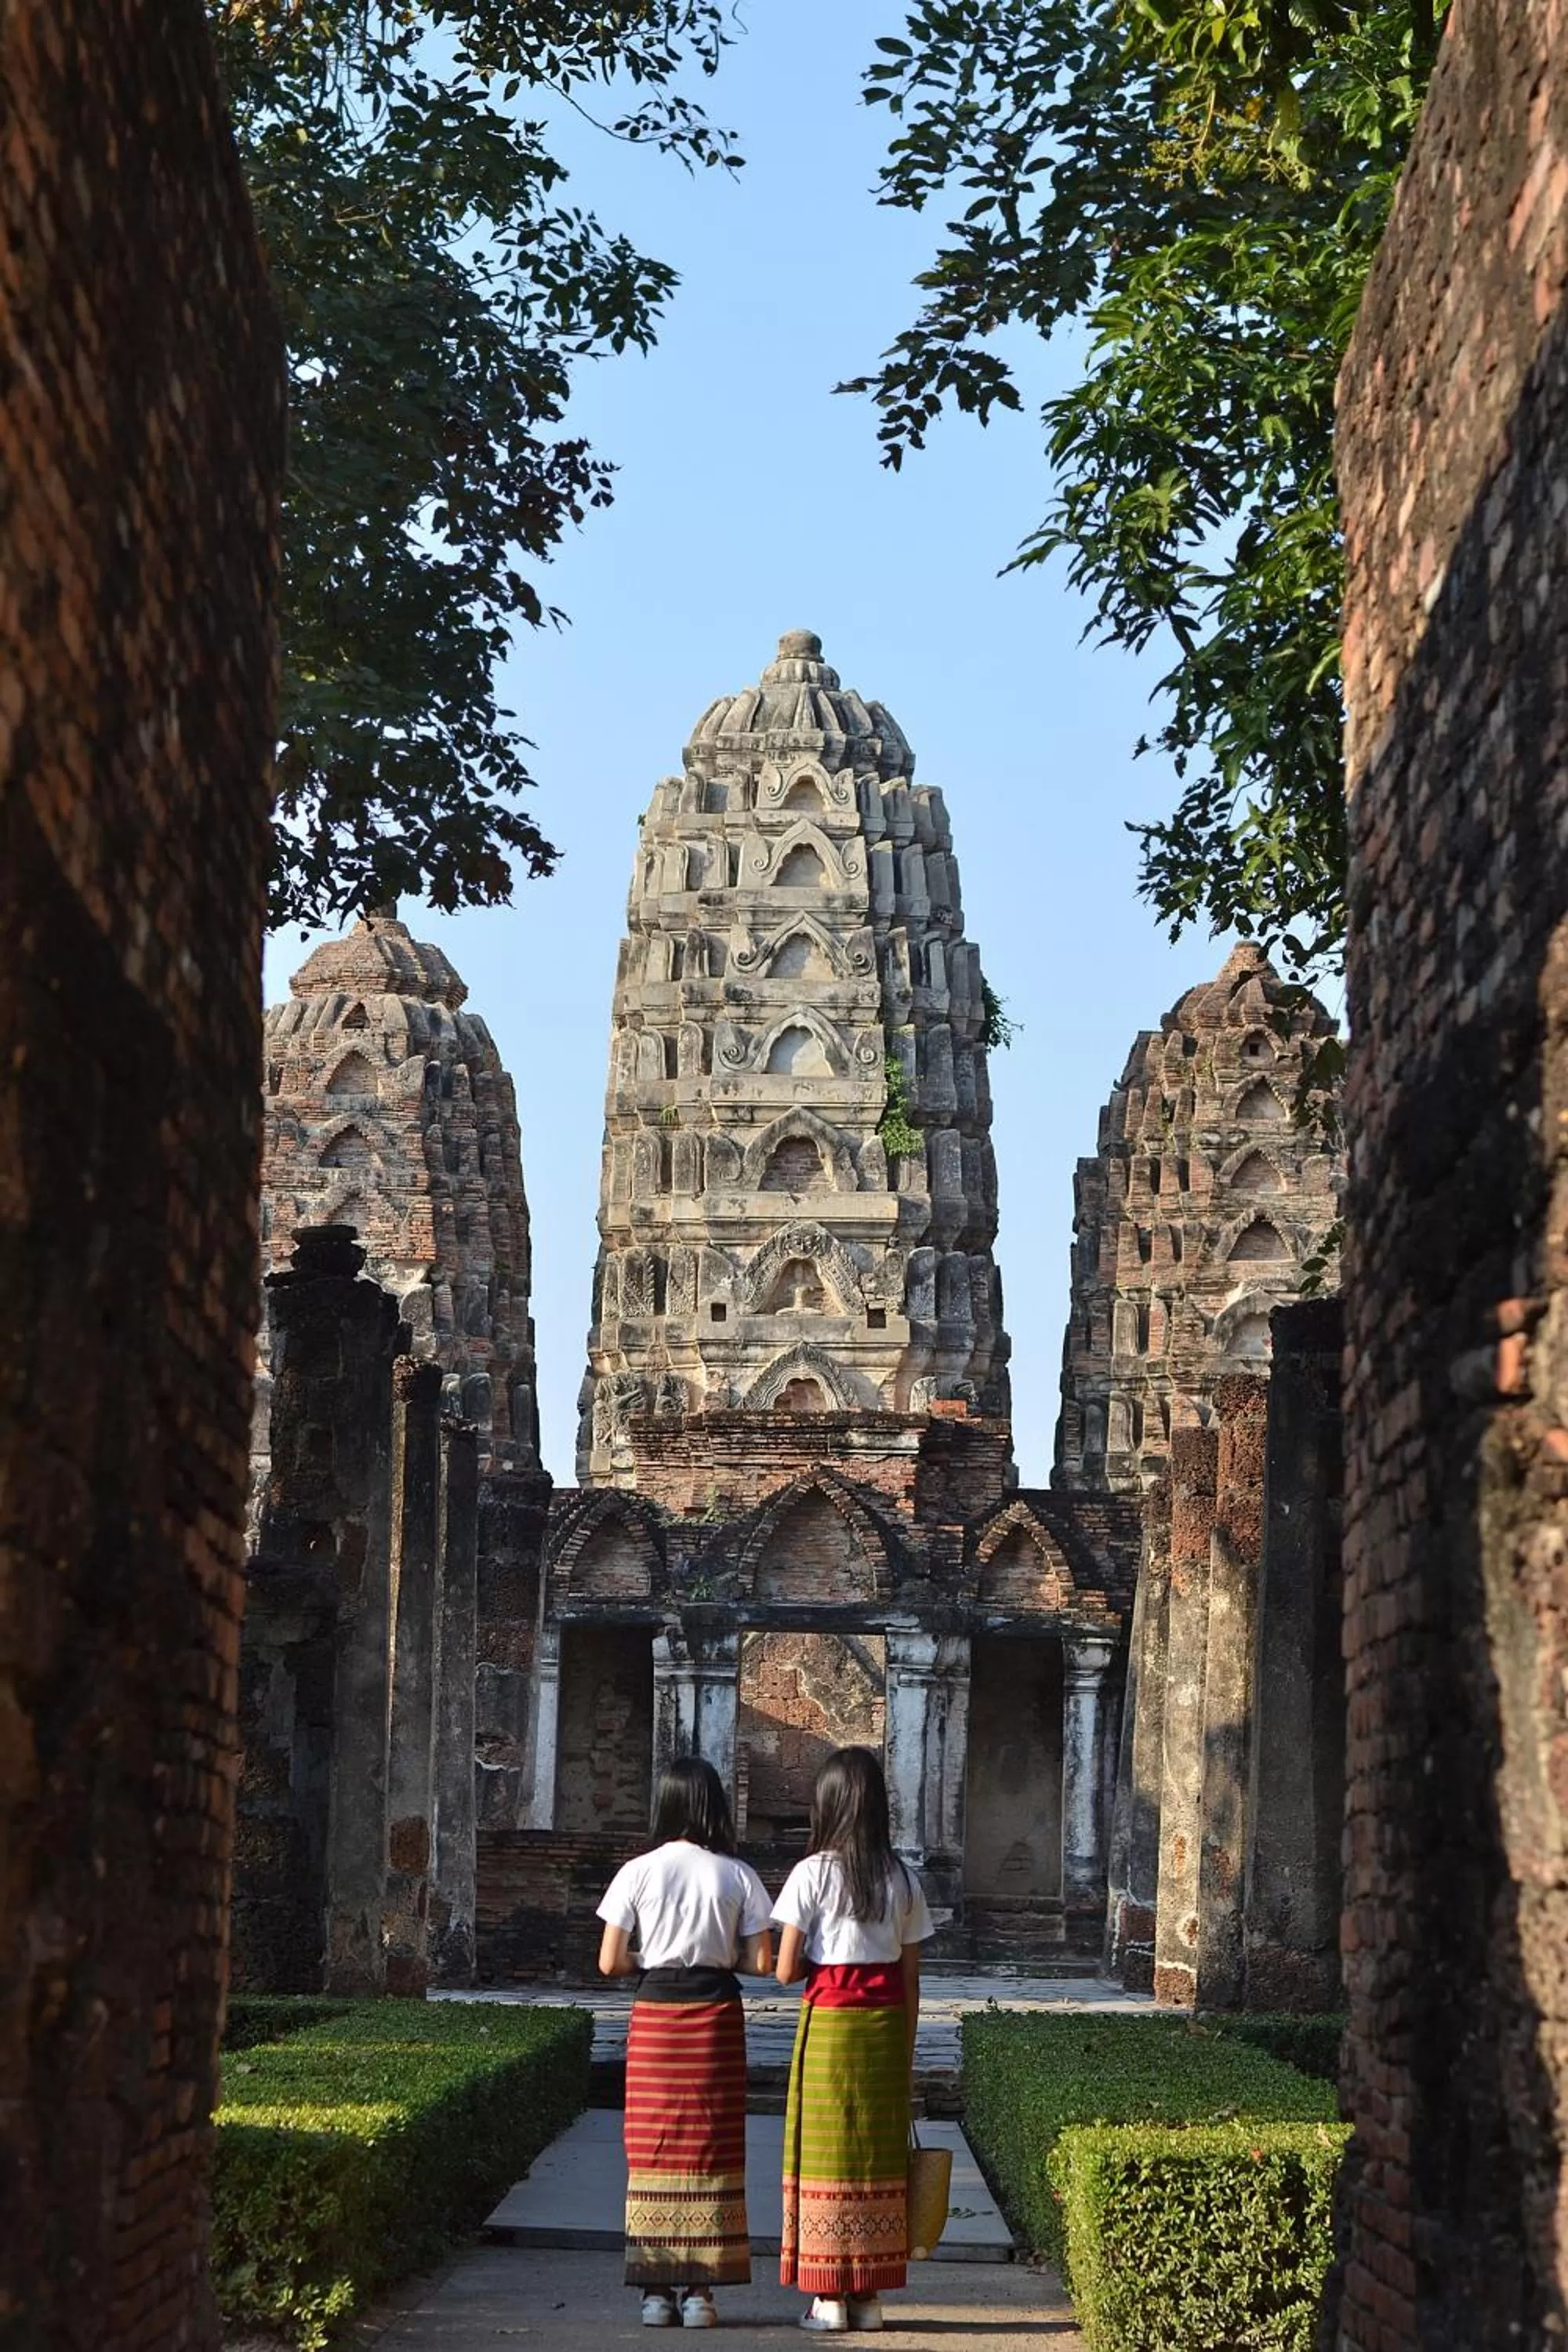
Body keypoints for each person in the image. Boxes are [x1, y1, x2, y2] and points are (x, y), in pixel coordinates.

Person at [597, 1757, 774, 2329]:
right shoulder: (738, 1875)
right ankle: (700, 2292)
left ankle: (653, 2292)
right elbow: (763, 1961)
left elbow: (609, 1961)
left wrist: (651, 1957)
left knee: (652, 2145)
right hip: (715, 2013)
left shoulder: (637, 1871)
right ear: (714, 1808)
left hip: (655, 2013)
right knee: (711, 2144)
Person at [771, 1745, 935, 2336]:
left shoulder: (812, 1873)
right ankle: (868, 2296)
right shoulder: (903, 1878)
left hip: (832, 2026)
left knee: (824, 2155)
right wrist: (907, 2051)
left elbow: (786, 1970)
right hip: (886, 2028)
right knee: (875, 2156)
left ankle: (828, 2297)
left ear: (829, 1804)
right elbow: (911, 1979)